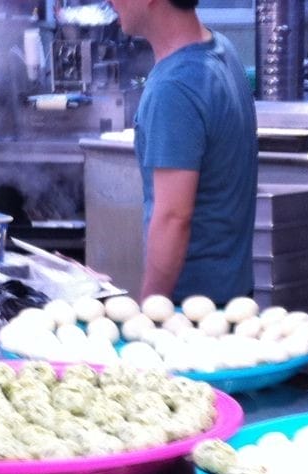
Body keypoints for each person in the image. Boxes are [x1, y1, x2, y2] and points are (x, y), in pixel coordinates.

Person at [109, 0, 258, 305]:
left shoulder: (175, 87)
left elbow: (173, 218)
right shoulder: (221, 50)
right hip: (234, 300)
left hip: (191, 315)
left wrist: (149, 314)